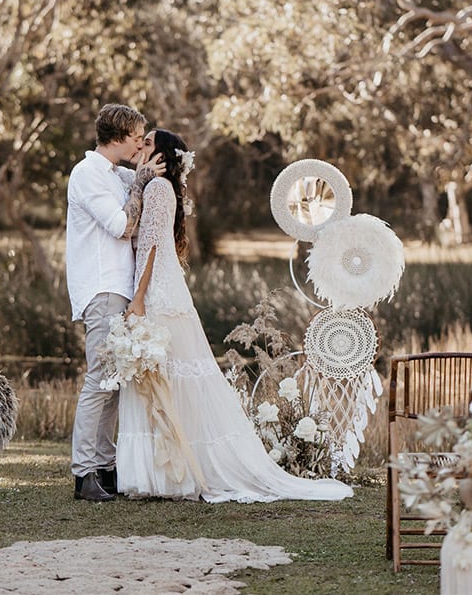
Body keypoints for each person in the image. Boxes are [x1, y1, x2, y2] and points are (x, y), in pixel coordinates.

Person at [116, 128, 353, 503]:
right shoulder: (154, 187)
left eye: (146, 143)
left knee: (165, 378)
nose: (139, 146)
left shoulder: (156, 189)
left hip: (158, 294)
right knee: (162, 379)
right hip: (162, 288)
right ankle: (167, 469)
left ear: (160, 156)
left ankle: (172, 472)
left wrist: (139, 298)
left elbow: (149, 247)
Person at [65, 104, 164, 502]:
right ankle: (84, 472)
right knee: (99, 380)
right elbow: (122, 225)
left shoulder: (115, 174)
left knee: (114, 383)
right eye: (138, 136)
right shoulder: (87, 174)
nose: (141, 142)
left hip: (120, 288)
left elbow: (149, 178)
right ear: (119, 136)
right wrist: (139, 184)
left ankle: (105, 468)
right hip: (101, 287)